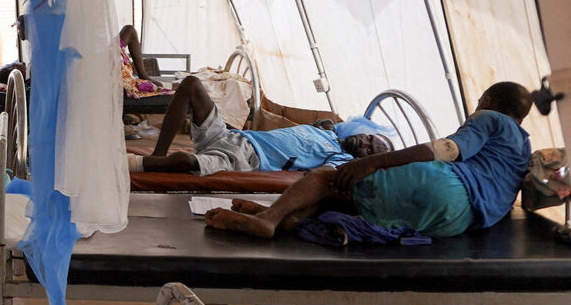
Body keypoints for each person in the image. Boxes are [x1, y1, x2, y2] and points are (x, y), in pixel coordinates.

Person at [205, 81, 533, 240]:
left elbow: (447, 150)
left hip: (446, 187)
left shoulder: (490, 119)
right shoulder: (523, 147)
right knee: (344, 198)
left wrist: (372, 163)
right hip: (458, 222)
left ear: (488, 101)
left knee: (323, 177)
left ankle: (269, 218)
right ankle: (287, 218)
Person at [127, 76, 392, 175]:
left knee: (185, 161)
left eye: (371, 150)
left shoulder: (339, 158)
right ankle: (157, 155)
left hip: (245, 158)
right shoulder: (328, 131)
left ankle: (129, 166)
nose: (365, 143)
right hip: (233, 136)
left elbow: (319, 175)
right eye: (370, 139)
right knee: (191, 85)